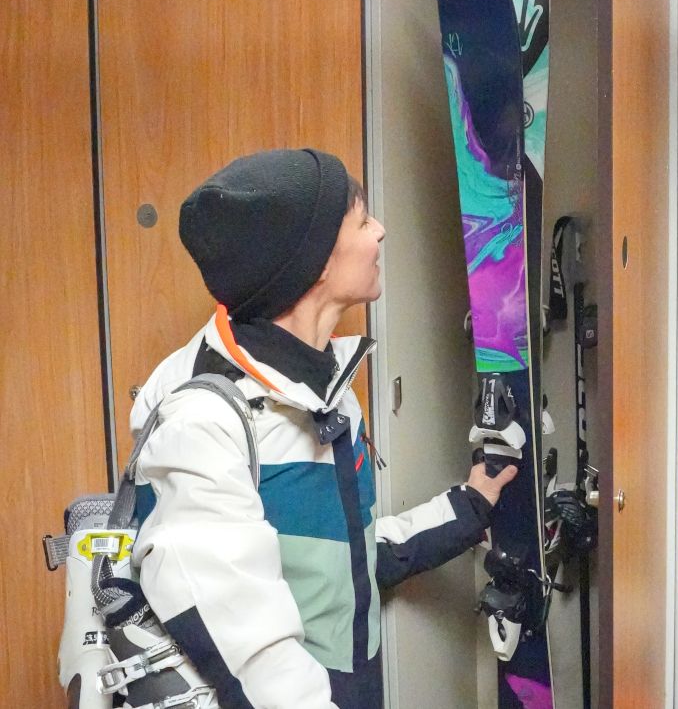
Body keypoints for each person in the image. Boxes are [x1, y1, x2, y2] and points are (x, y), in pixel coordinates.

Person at [128, 148, 515, 708]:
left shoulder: (322, 383)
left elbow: (346, 557)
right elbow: (245, 650)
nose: (379, 231)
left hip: (349, 682)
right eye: (361, 220)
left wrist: (469, 506)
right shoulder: (201, 420)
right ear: (311, 262)